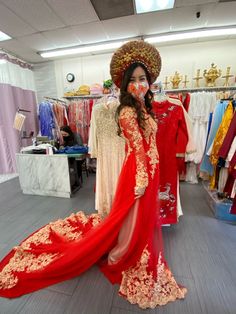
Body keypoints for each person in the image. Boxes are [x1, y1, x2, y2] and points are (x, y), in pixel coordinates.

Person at [0, 41, 187, 308]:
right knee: (133, 215)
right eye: (132, 80)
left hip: (149, 169)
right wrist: (143, 179)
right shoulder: (126, 110)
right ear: (124, 85)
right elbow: (137, 148)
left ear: (150, 81)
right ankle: (124, 253)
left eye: (142, 78)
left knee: (137, 217)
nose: (138, 84)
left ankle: (132, 245)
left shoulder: (144, 107)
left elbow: (150, 143)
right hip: (139, 172)